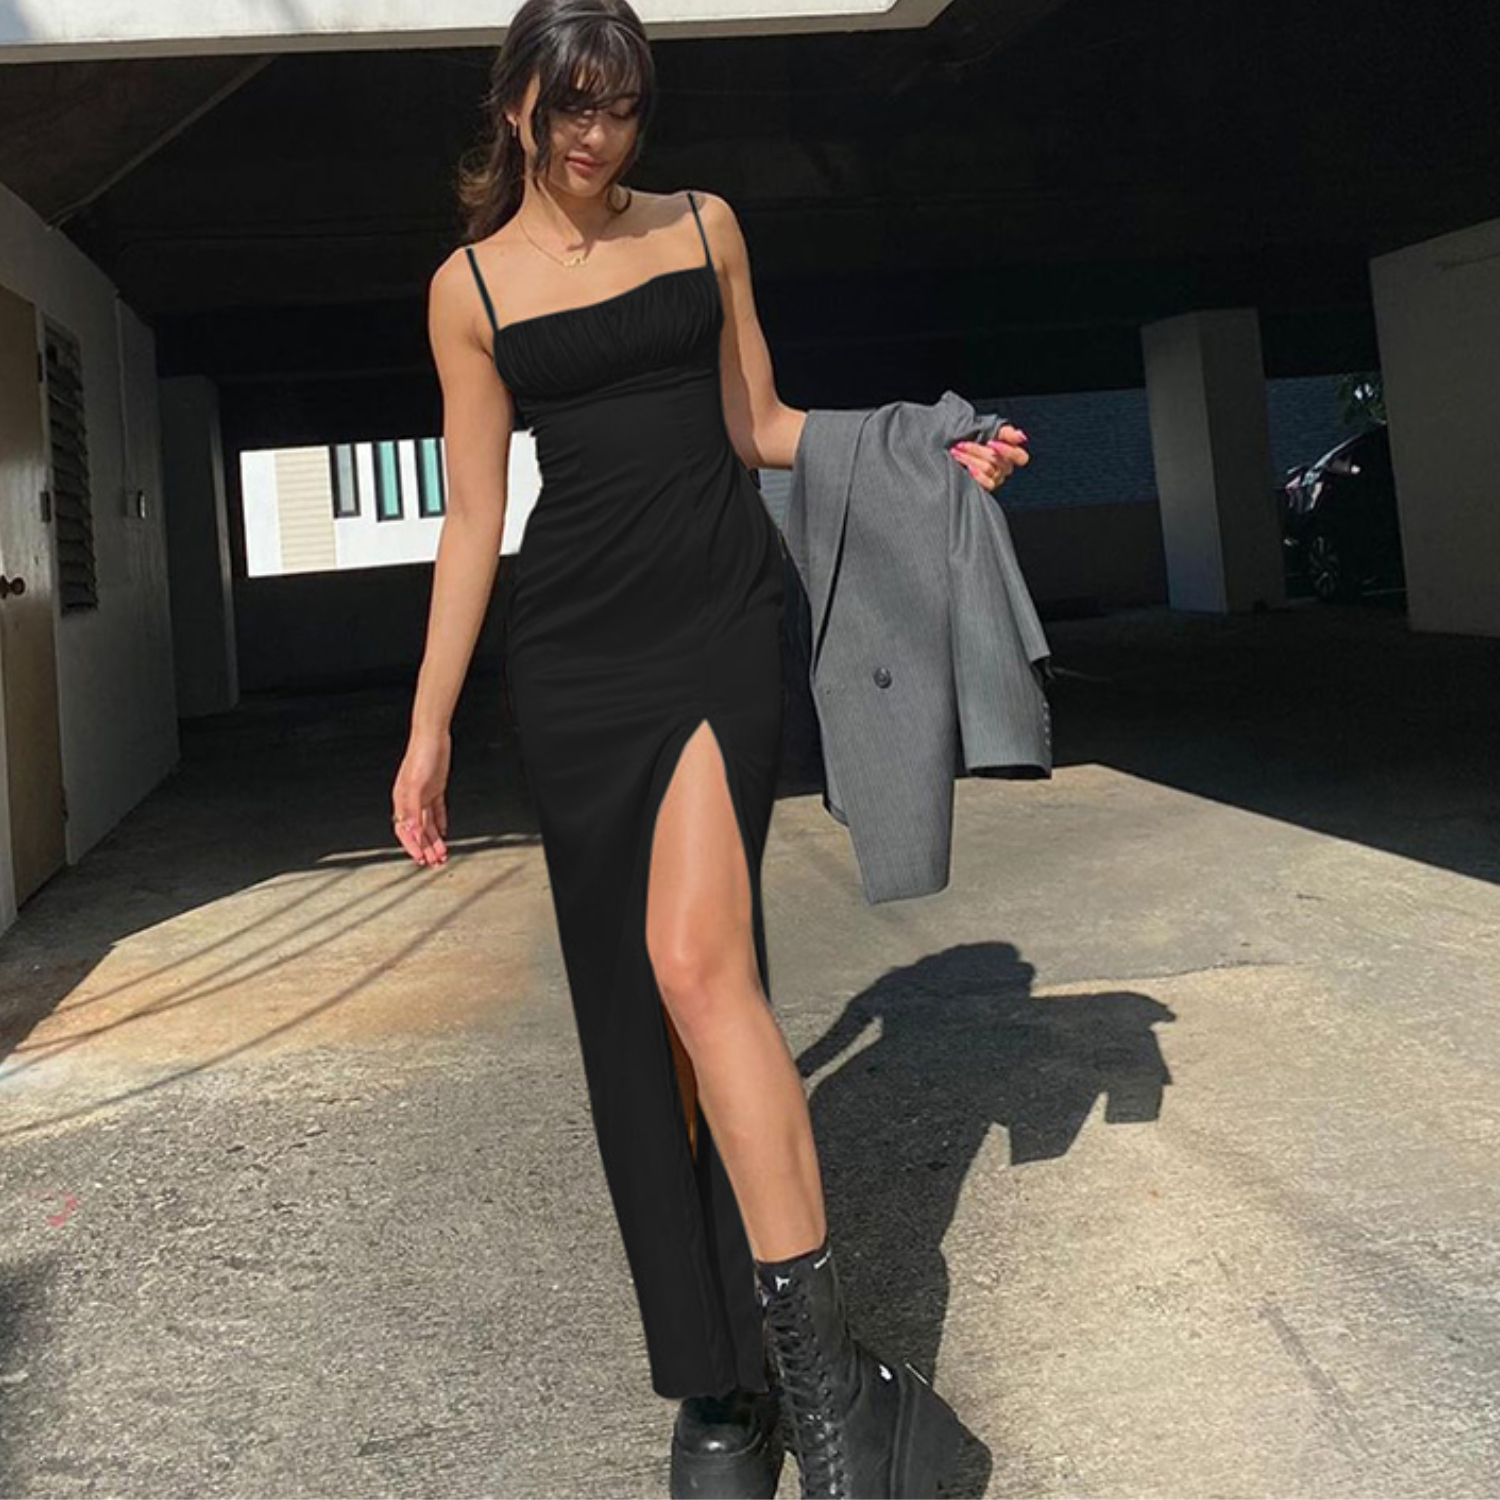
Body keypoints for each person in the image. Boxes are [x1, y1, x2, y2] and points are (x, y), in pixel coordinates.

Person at [390, 1, 1029, 1493]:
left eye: (621, 107)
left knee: (696, 965)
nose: (597, 137)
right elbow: (474, 519)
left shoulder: (704, 225)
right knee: (632, 1027)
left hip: (714, 628)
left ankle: (831, 1394)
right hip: (572, 654)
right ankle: (719, 1390)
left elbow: (761, 424)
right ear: (516, 107)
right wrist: (426, 729)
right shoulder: (466, 291)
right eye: (571, 108)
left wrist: (921, 447)